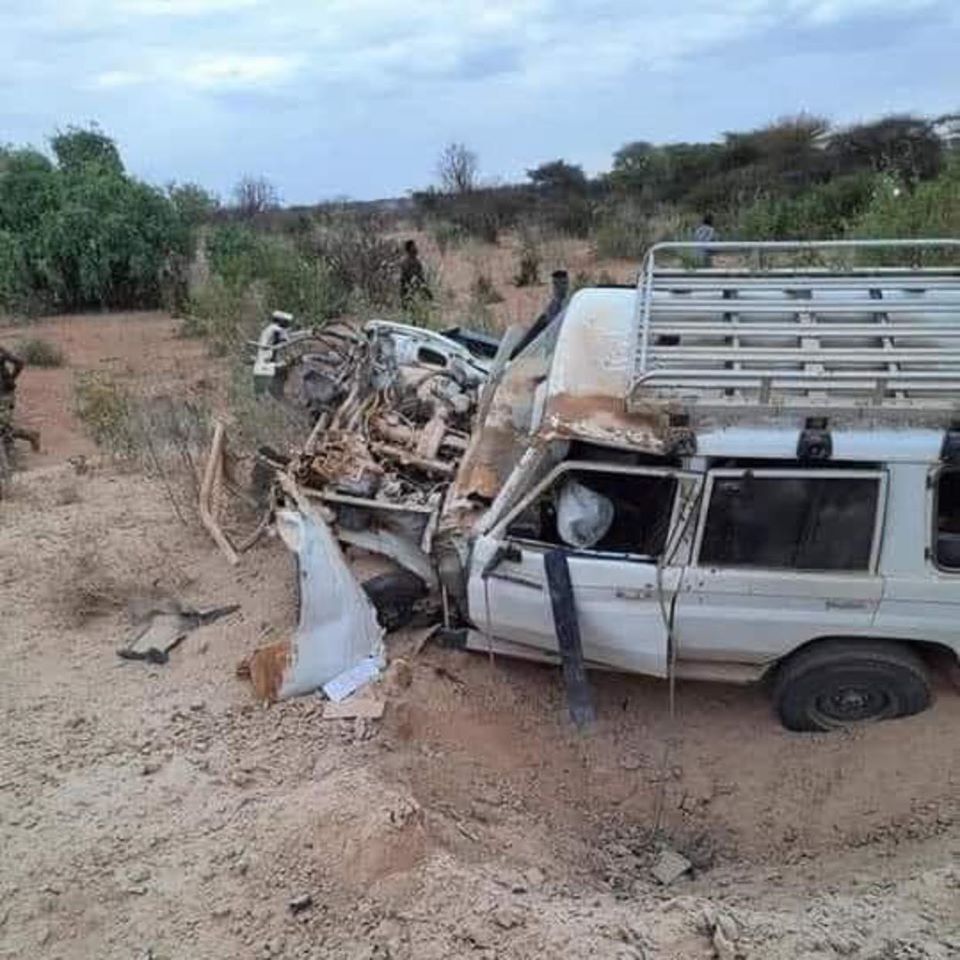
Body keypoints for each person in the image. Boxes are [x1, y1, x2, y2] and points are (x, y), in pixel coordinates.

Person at [0, 345, 40, 453]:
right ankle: (30, 436)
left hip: (4, 393)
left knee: (3, 425)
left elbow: (19, 362)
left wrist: (11, 379)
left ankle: (11, 454)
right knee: (4, 426)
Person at [399, 239, 431, 309]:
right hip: (408, 291)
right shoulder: (405, 262)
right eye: (413, 246)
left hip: (415, 290)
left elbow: (420, 277)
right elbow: (408, 277)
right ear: (409, 249)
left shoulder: (417, 262)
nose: (416, 248)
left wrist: (426, 290)